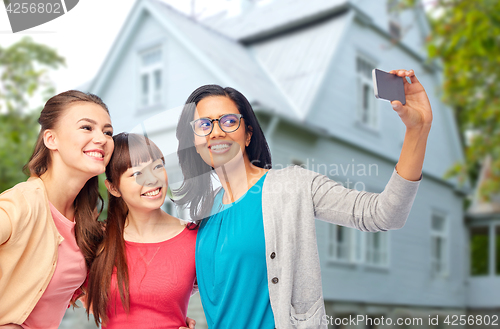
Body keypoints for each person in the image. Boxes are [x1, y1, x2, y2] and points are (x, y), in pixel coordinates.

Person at [174, 69, 431, 328]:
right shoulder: (204, 215)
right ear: (194, 141)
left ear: (248, 134)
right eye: (204, 125)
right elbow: (175, 286)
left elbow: (384, 213)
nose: (216, 132)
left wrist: (417, 130)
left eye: (229, 121)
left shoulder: (292, 186)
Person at [0, 91, 114, 328]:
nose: (101, 139)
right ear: (51, 139)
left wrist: (167, 317)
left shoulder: (85, 221)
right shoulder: (23, 204)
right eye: (86, 127)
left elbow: (108, 303)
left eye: (107, 132)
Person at [86, 133, 197, 329]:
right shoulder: (99, 239)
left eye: (157, 167)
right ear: (113, 188)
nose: (152, 179)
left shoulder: (195, 237)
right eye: (136, 174)